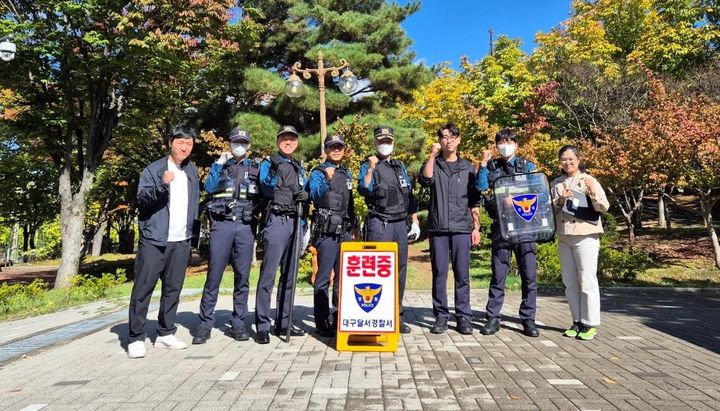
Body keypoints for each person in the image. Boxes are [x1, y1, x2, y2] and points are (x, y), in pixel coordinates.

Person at [128, 125, 200, 358]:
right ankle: (135, 337)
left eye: (189, 144)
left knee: (173, 289)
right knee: (143, 288)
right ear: (171, 142)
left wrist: (194, 237)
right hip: (154, 240)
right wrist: (162, 184)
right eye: (180, 142)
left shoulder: (191, 170)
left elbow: (194, 205)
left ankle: (165, 332)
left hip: (181, 240)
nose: (184, 147)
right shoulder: (155, 169)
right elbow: (142, 200)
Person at [193, 128, 259, 345]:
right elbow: (209, 187)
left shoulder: (255, 168)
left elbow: (264, 194)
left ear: (248, 146)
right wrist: (218, 164)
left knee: (242, 277)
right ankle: (204, 324)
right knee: (214, 275)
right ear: (230, 143)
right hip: (221, 225)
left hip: (245, 227)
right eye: (236, 141)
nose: (240, 145)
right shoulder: (220, 165)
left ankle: (239, 322)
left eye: (243, 142)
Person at [476, 128, 540, 337]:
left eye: (509, 141)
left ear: (516, 144)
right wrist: (484, 164)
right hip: (501, 228)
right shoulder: (491, 166)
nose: (505, 144)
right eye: (501, 141)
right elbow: (481, 187)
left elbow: (539, 191)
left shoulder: (527, 166)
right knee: (498, 274)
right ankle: (493, 318)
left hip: (526, 227)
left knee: (529, 275)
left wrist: (515, 199)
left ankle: (528, 319)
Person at [419, 123, 481, 335]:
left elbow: (474, 200)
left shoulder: (468, 168)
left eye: (453, 137)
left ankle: (463, 316)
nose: (449, 140)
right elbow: (426, 179)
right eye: (445, 137)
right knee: (439, 273)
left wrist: (476, 227)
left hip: (462, 227)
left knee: (462, 274)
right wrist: (432, 155)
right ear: (440, 140)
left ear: (459, 140)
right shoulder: (434, 164)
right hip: (438, 228)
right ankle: (441, 316)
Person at [358, 126, 420, 334]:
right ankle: (376, 316)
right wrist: (371, 168)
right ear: (375, 143)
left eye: (388, 141)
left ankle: (397, 316)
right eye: (381, 141)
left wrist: (415, 220)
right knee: (377, 271)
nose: (385, 144)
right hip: (380, 224)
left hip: (399, 225)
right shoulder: (368, 165)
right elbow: (363, 188)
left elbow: (408, 195)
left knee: (399, 271)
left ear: (393, 144)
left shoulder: (399, 166)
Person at [255, 125, 309, 344]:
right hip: (276, 221)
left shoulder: (299, 166)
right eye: (284, 138)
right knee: (268, 275)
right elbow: (266, 187)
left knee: (290, 275)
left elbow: (304, 190)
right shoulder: (269, 162)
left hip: (295, 223)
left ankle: (284, 322)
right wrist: (276, 170)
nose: (288, 142)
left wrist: (305, 195)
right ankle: (262, 325)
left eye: (292, 138)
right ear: (278, 141)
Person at [551, 145, 609, 340]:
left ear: (578, 159)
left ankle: (590, 323)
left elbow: (603, 206)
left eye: (570, 159)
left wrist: (593, 192)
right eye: (563, 159)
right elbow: (549, 209)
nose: (567, 163)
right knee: (570, 281)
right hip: (564, 236)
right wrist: (560, 200)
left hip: (586, 235)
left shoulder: (589, 180)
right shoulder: (556, 183)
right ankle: (576, 320)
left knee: (587, 280)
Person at [309, 134, 355, 337]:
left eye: (339, 147)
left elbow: (350, 201)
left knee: (343, 278)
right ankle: (321, 321)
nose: (336, 150)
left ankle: (339, 317)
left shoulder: (347, 173)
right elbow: (315, 195)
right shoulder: (318, 172)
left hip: (344, 230)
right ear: (326, 150)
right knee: (323, 278)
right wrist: (327, 179)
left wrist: (354, 228)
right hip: (326, 231)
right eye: (332, 147)